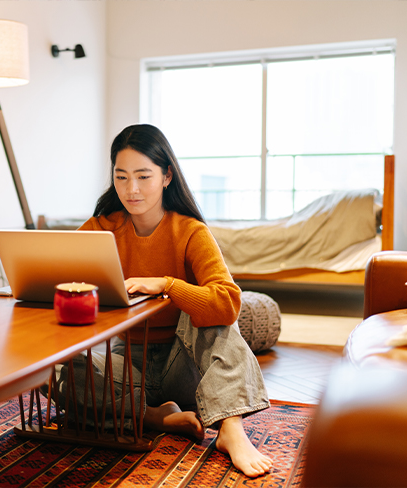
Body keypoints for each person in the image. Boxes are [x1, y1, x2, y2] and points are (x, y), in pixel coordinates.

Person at [56, 124, 272, 477]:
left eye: (143, 176)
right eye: (121, 177)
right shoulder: (99, 229)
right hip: (125, 366)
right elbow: (61, 281)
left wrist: (169, 285)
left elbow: (229, 303)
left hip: (183, 365)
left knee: (207, 311)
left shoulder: (189, 231)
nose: (132, 189)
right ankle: (152, 415)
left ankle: (231, 429)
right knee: (54, 370)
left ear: (167, 175)